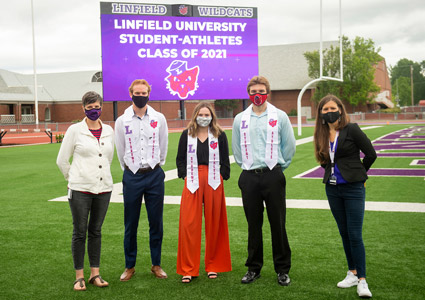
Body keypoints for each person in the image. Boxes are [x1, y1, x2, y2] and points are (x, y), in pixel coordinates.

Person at [232, 76, 296, 286]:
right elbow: (237, 150)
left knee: (278, 223)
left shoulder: (280, 116)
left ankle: (282, 269)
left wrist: (278, 168)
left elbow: (289, 146)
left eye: (260, 91)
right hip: (249, 176)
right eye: (253, 92)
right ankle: (253, 268)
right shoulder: (240, 118)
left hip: (273, 175)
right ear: (248, 94)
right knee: (253, 225)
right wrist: (248, 167)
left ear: (267, 92)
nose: (256, 95)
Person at [313, 94, 377, 298]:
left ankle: (363, 281)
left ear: (340, 109)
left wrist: (358, 174)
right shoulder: (321, 133)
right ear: (320, 113)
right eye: (325, 109)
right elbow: (323, 159)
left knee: (355, 234)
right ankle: (352, 272)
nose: (329, 112)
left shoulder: (352, 129)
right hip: (332, 189)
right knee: (344, 233)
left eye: (333, 108)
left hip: (353, 189)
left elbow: (371, 154)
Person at [56, 91, 114, 291]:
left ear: (101, 106)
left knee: (96, 231)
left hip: (103, 188)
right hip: (80, 189)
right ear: (83, 108)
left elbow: (108, 158)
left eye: (96, 107)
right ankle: (79, 276)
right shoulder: (74, 130)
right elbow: (62, 159)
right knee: (80, 232)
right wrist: (71, 179)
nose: (93, 111)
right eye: (89, 108)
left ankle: (95, 274)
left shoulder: (108, 130)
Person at [115, 79, 169, 281]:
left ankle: (156, 264)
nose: (140, 96)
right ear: (131, 94)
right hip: (132, 175)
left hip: (154, 174)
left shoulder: (159, 118)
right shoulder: (122, 120)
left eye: (144, 92)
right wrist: (130, 169)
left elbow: (163, 144)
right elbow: (120, 150)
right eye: (137, 93)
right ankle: (130, 266)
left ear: (149, 93)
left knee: (156, 222)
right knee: (131, 223)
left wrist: (156, 164)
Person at [176, 102, 232, 283]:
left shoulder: (219, 135)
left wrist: (222, 175)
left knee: (215, 223)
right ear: (195, 116)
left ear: (212, 117)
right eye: (201, 114)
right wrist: (184, 175)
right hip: (192, 179)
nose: (204, 117)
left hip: (214, 179)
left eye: (207, 115)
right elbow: (180, 159)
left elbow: (225, 159)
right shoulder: (187, 135)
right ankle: (188, 268)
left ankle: (213, 265)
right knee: (189, 224)